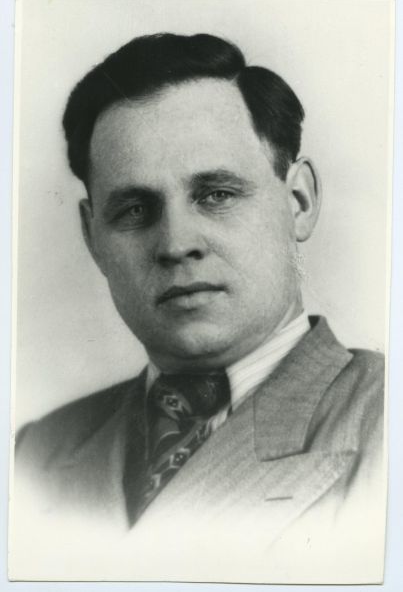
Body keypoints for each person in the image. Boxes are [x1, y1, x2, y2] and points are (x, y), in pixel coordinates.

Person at [14, 33, 385, 580]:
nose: (176, 244)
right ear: (94, 240)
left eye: (217, 195)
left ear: (299, 202)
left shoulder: (385, 424)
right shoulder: (34, 455)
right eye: (135, 209)